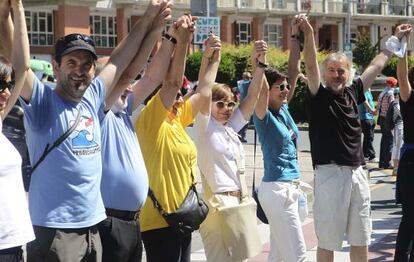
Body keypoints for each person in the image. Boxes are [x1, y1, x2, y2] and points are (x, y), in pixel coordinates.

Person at [14, 0, 172, 260]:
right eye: (71, 63)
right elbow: (22, 67)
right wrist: (17, 11)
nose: (80, 71)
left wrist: (151, 22)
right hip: (56, 232)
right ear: (56, 66)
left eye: (86, 65)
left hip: (93, 227)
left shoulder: (92, 98)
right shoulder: (43, 103)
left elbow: (122, 63)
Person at [301, 14, 411, 261]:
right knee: (328, 240)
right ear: (324, 74)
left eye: (341, 71)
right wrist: (308, 34)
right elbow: (309, 65)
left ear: (348, 73)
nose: (336, 75)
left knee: (361, 237)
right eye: (331, 71)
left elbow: (377, 65)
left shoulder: (354, 91)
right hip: (330, 173)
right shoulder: (319, 96)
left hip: (357, 173)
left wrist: (396, 38)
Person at [97, 14, 185, 262]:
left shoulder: (123, 110)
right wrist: (152, 23)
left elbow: (152, 78)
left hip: (132, 222)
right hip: (108, 221)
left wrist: (168, 37)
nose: (128, 83)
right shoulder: (97, 112)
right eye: (121, 79)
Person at [135, 16, 207, 262]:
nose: (180, 98)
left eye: (181, 95)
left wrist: (210, 56)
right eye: (177, 95)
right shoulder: (149, 120)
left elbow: (204, 90)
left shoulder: (177, 120)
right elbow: (172, 82)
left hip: (182, 214)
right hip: (159, 220)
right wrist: (183, 39)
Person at [195, 39, 266, 261]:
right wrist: (210, 59)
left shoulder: (230, 127)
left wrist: (260, 64)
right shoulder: (204, 127)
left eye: (230, 104)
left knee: (242, 259)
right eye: (220, 104)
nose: (227, 109)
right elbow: (203, 91)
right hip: (216, 204)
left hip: (239, 203)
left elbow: (252, 96)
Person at [253, 16, 306, 261]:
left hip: (293, 186)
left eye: (286, 87)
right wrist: (260, 61)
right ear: (270, 90)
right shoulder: (262, 114)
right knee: (298, 254)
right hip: (276, 189)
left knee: (278, 252)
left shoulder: (284, 108)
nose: (285, 90)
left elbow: (293, 71)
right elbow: (261, 89)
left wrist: (296, 36)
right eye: (280, 87)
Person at [0, 1, 35, 260]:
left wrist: (17, 9)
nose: (6, 92)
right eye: (0, 85)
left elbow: (22, 68)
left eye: (8, 86)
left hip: (12, 245)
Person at [395, 36, 414, 261]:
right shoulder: (409, 98)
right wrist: (403, 46)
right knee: (410, 218)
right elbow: (402, 75)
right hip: (412, 162)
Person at [377, 76, 397, 169]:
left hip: (381, 118)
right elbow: (392, 107)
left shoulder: (382, 93)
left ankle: (382, 162)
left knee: (384, 140)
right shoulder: (390, 94)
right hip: (388, 119)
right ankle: (387, 163)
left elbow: (378, 108)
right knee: (389, 141)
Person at [358, 87, 377, 162]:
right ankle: (372, 156)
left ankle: (365, 155)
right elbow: (364, 102)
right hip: (365, 117)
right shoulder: (364, 91)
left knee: (368, 137)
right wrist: (372, 110)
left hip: (369, 117)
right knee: (369, 137)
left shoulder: (368, 91)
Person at [388, 87, 403, 176]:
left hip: (396, 127)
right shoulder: (397, 104)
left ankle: (396, 168)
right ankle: (396, 168)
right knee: (398, 147)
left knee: (396, 146)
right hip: (399, 127)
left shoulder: (394, 103)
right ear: (397, 95)